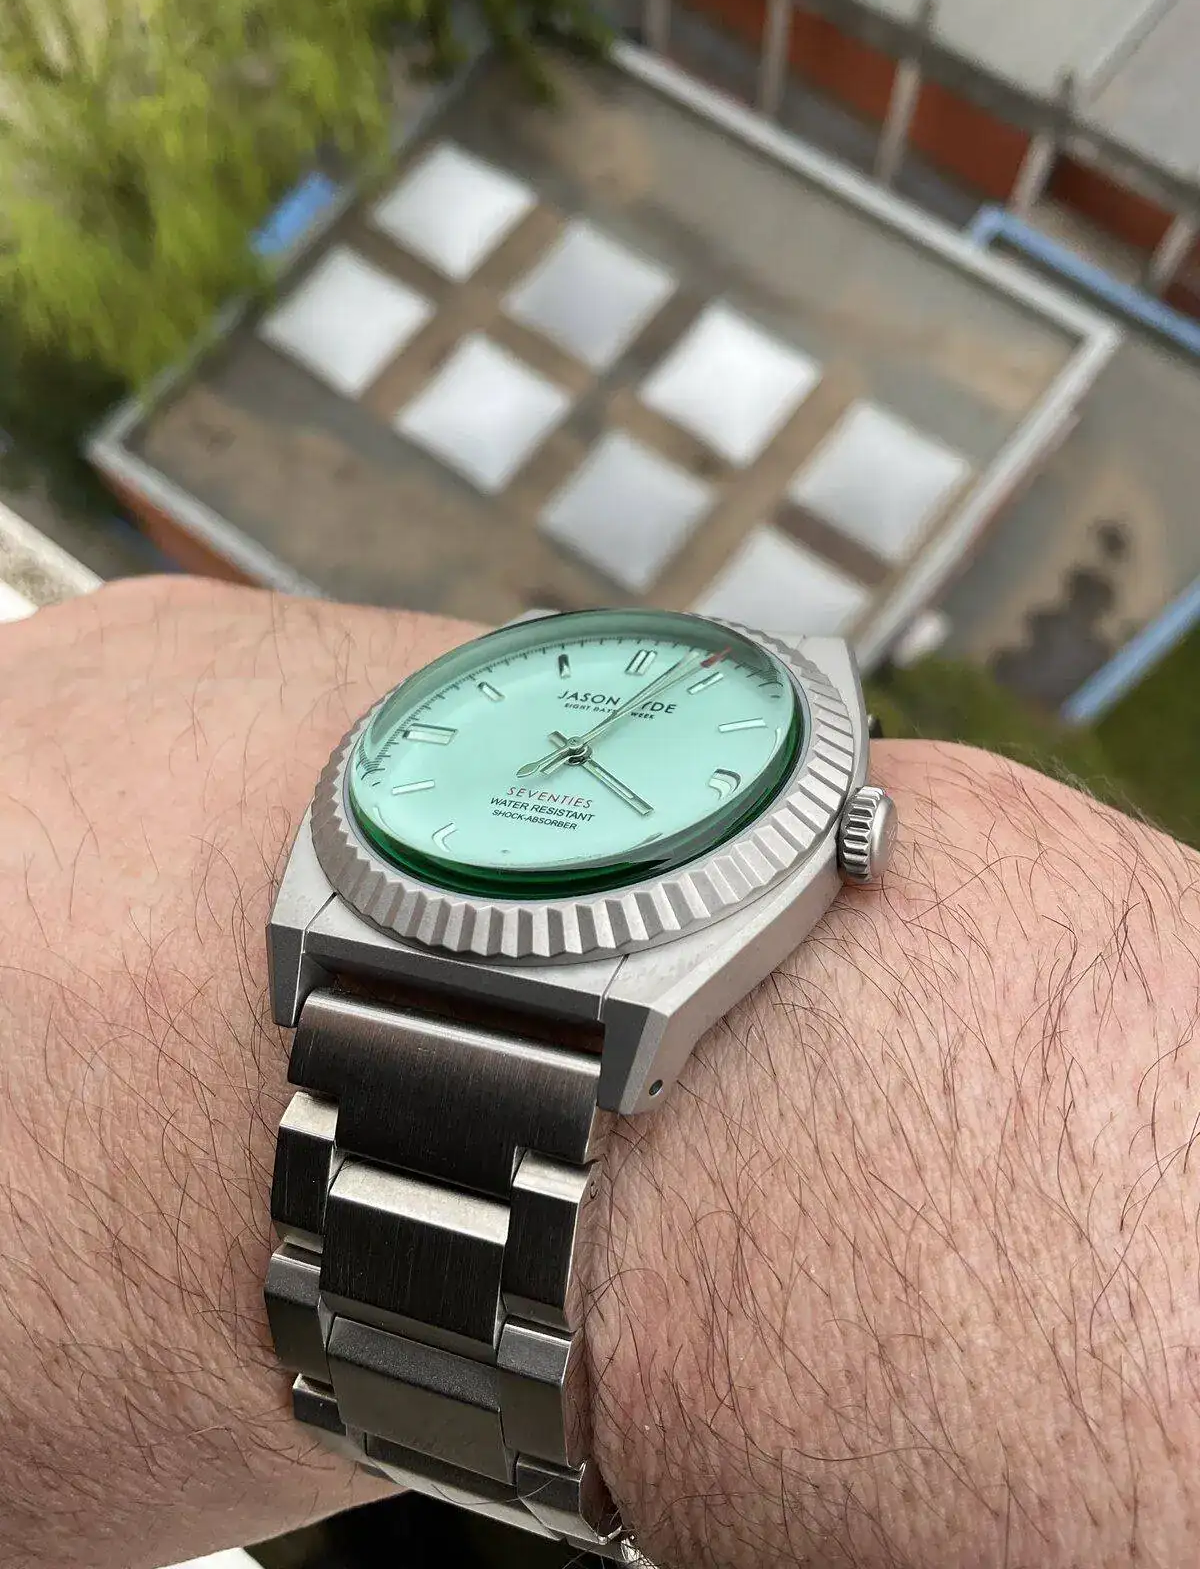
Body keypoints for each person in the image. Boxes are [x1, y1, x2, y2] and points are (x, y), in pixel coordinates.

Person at [2, 575, 1198, 1569]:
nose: (572, 752)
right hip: (392, 881)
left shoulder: (780, 806)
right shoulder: (411, 788)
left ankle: (442, 1423)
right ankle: (425, 1422)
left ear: (846, 833)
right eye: (565, 734)